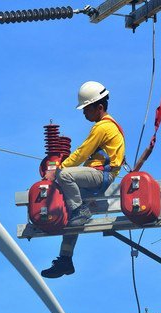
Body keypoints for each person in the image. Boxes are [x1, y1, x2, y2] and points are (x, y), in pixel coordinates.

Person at [41, 81, 125, 279]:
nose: (84, 113)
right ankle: (65, 259)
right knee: (72, 219)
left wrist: (57, 170)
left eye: (87, 109)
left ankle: (81, 211)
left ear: (100, 107)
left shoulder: (103, 127)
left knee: (65, 176)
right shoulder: (107, 126)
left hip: (101, 175)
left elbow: (81, 153)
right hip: (97, 174)